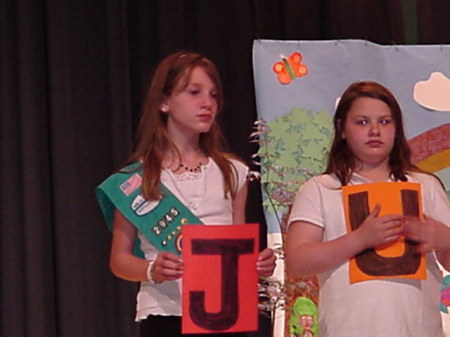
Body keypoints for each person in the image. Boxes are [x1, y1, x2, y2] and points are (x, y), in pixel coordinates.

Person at [96, 51, 276, 337]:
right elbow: (119, 259)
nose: (207, 103)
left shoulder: (233, 171)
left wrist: (257, 262)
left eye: (213, 95)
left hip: (224, 312)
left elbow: (238, 244)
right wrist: (151, 269)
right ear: (164, 102)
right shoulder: (135, 180)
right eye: (194, 92)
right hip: (166, 312)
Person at [286, 81, 450, 337]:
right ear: (342, 129)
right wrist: (359, 239)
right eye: (362, 122)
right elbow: (298, 261)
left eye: (385, 122)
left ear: (397, 129)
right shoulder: (320, 189)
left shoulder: (425, 186)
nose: (375, 130)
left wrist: (444, 238)